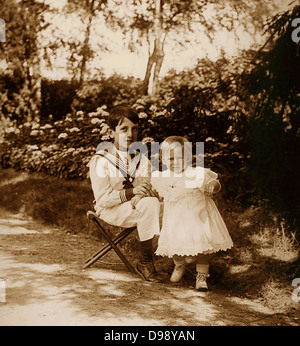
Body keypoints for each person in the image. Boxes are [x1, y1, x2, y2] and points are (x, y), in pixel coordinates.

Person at [88, 105, 162, 282]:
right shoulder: (101, 160)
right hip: (110, 209)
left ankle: (179, 260)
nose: (130, 134)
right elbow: (103, 200)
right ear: (112, 131)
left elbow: (149, 186)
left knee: (171, 205)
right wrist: (133, 192)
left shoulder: (140, 158)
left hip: (137, 206)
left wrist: (151, 191)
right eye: (124, 129)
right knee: (150, 205)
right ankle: (145, 261)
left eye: (134, 129)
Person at [149, 136, 233, 291]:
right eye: (171, 158)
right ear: (163, 158)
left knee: (202, 249)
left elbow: (216, 182)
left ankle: (201, 276)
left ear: (189, 157)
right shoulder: (162, 176)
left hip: (197, 218)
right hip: (175, 219)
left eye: (181, 157)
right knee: (175, 246)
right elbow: (155, 192)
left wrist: (212, 187)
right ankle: (179, 265)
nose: (176, 162)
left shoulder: (196, 174)